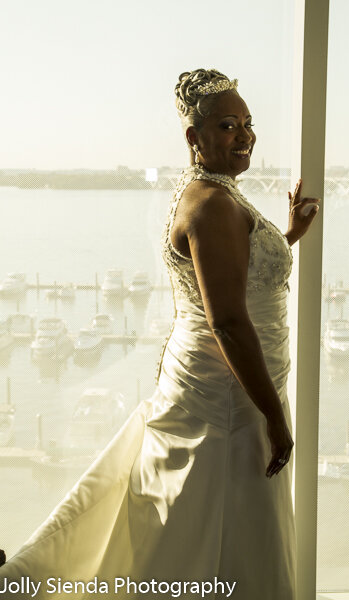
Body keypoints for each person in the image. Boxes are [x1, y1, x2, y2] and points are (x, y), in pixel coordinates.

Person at [0, 68, 320, 599]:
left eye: (247, 123)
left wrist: (286, 237)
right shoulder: (214, 203)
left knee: (207, 525)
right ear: (193, 138)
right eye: (227, 125)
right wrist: (274, 415)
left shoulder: (212, 192)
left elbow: (234, 275)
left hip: (230, 385)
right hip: (229, 397)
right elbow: (229, 322)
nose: (244, 135)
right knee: (217, 528)